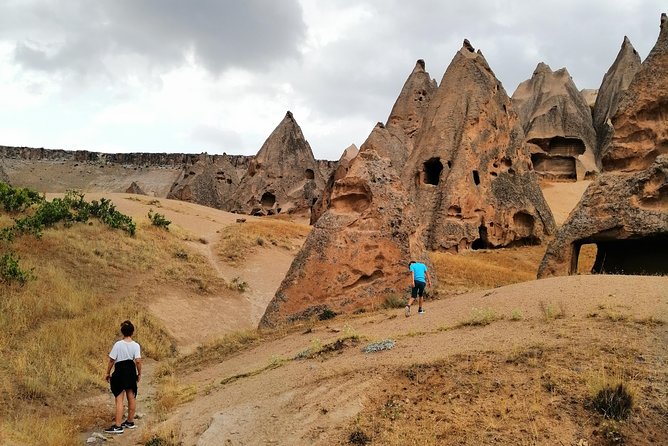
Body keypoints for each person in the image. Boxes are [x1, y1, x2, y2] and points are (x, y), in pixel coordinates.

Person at [104, 320, 142, 434]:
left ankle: (118, 426)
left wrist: (107, 373)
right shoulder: (136, 345)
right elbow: (138, 361)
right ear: (132, 332)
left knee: (119, 399)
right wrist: (139, 373)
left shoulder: (118, 344)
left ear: (122, 332)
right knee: (131, 396)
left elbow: (112, 360)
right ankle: (130, 422)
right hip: (130, 371)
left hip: (120, 371)